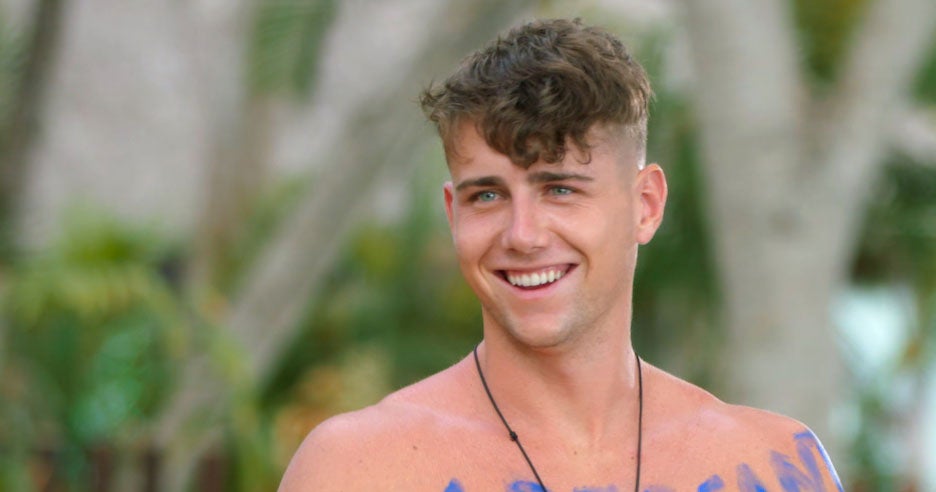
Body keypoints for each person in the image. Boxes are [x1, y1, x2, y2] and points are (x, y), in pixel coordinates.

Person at [279, 18, 844, 492]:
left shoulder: (776, 466)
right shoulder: (357, 469)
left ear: (646, 205)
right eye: (488, 195)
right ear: (453, 213)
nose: (522, 235)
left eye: (560, 189)